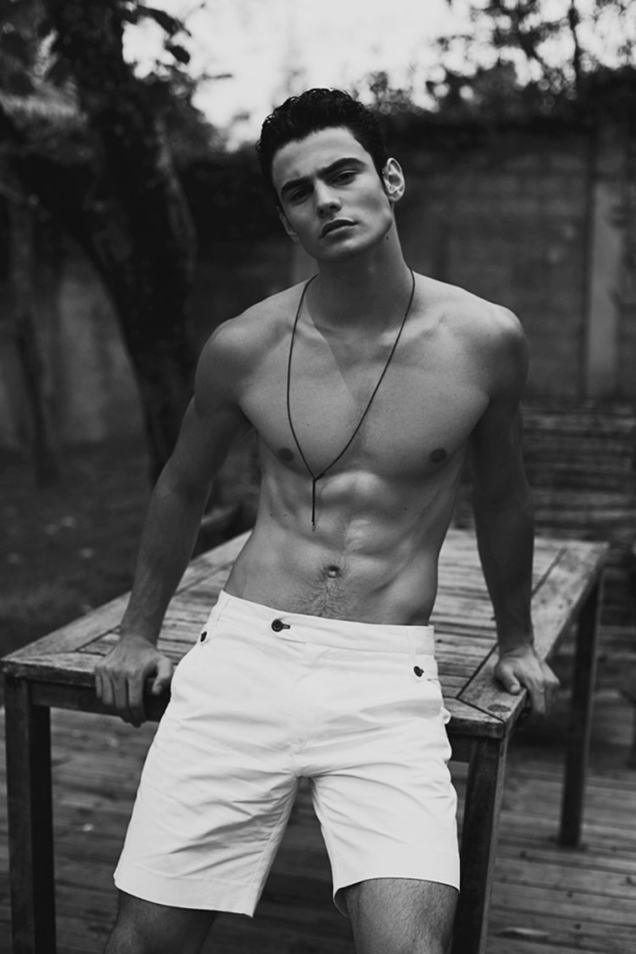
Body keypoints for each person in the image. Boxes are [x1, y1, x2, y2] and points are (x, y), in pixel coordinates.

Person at [96, 88, 560, 954]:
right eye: (299, 192)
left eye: (343, 174)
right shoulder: (246, 345)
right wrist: (136, 634)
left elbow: (504, 494)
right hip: (243, 660)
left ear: (391, 180)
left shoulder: (485, 340)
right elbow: (181, 485)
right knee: (143, 941)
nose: (326, 201)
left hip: (385, 678)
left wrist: (518, 639)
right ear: (287, 221)